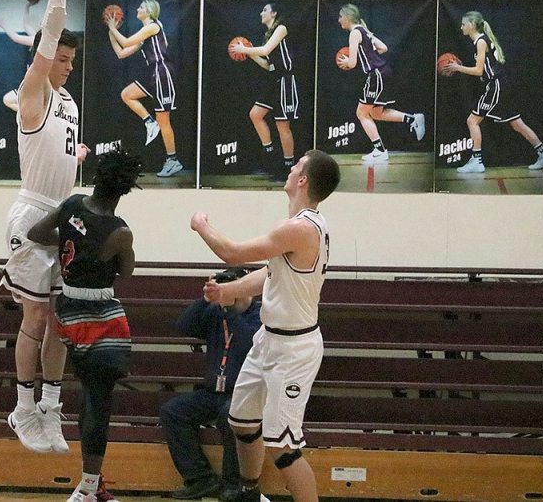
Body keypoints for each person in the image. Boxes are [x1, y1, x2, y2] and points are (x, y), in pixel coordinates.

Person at [191, 149, 341, 502]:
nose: (291, 168)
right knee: (241, 420)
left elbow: (231, 253)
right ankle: (250, 493)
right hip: (268, 340)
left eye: (297, 165)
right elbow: (271, 273)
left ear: (302, 180)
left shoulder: (300, 229)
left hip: (294, 349)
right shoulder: (301, 226)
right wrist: (227, 291)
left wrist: (201, 224)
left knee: (283, 447)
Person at [1, 0, 88, 455]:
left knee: (61, 320)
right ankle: (22, 406)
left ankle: (51, 406)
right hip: (31, 214)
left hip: (62, 216)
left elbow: (60, 154)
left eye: (73, 60)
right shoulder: (36, 91)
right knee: (34, 317)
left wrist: (77, 157)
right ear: (47, 57)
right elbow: (50, 31)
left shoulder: (70, 101)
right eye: (63, 58)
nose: (69, 65)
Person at [26, 148, 142, 502]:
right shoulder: (119, 231)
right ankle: (89, 488)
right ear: (125, 189)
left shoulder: (72, 204)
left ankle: (92, 483)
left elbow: (36, 233)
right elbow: (127, 271)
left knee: (90, 396)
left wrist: (68, 239)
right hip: (99, 314)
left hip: (67, 308)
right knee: (98, 402)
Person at [160, 268, 261, 501]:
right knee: (173, 411)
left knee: (230, 416)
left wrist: (230, 310)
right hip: (213, 392)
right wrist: (206, 299)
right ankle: (200, 478)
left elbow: (248, 343)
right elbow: (183, 326)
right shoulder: (216, 313)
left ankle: (234, 483)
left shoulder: (261, 315)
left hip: (245, 393)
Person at [441, 11, 543, 173]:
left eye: (463, 24)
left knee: (472, 121)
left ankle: (477, 161)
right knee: (517, 124)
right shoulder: (482, 40)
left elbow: (479, 71)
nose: (461, 27)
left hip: (497, 86)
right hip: (502, 84)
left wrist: (457, 68)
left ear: (471, 25)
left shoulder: (481, 42)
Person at [335, 4, 425, 164]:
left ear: (348, 17)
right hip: (383, 72)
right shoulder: (364, 31)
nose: (339, 20)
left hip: (376, 74)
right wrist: (369, 52)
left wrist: (346, 61)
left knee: (361, 113)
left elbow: (353, 63)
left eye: (341, 16)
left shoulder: (355, 33)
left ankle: (380, 151)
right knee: (376, 113)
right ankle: (412, 119)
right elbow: (383, 48)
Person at [105, 0, 184, 178]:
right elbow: (121, 53)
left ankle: (173, 160)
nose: (137, 9)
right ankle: (149, 122)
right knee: (127, 95)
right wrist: (111, 32)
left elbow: (126, 42)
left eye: (141, 7)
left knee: (164, 120)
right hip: (152, 73)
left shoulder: (153, 26)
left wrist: (112, 28)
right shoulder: (146, 33)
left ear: (148, 11)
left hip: (162, 73)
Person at [229, 3, 300, 179]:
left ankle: (288, 167)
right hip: (274, 79)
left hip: (285, 80)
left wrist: (244, 49)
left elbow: (266, 50)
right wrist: (250, 54)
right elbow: (267, 65)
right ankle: (271, 157)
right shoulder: (267, 35)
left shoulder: (281, 28)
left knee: (283, 125)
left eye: (265, 10)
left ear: (274, 13)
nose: (261, 13)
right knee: (255, 115)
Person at [0, 0, 39, 112]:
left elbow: (16, 38)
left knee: (7, 99)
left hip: (35, 86)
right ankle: (27, 113)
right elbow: (27, 25)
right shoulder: (37, 38)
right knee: (8, 99)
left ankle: (26, 114)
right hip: (31, 85)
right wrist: (27, 6)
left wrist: (3, 25)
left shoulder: (38, 41)